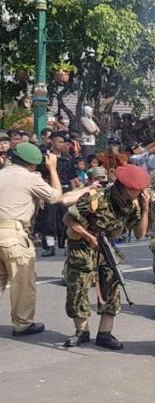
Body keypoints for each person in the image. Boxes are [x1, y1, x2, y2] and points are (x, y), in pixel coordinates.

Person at [0, 143, 89, 336]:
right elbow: (56, 197)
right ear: (32, 165)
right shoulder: (29, 178)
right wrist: (52, 169)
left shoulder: (2, 173)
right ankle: (23, 323)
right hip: (14, 234)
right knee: (22, 282)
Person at [62, 164, 151, 349]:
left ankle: (105, 333)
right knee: (78, 288)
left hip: (107, 247)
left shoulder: (131, 206)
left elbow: (140, 233)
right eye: (139, 190)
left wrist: (145, 209)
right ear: (128, 188)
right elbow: (68, 219)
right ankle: (81, 331)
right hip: (83, 246)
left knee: (112, 286)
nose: (142, 193)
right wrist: (88, 236)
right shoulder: (97, 198)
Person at [35, 130, 74, 256]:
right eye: (59, 142)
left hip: (66, 190)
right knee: (49, 219)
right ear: (51, 141)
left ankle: (68, 246)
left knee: (67, 218)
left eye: (64, 142)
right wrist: (40, 195)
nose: (61, 144)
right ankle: (50, 246)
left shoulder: (68, 158)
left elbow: (72, 178)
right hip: (49, 189)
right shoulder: (45, 157)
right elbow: (40, 176)